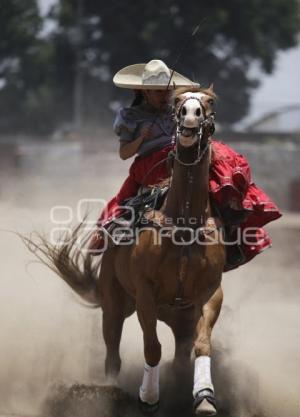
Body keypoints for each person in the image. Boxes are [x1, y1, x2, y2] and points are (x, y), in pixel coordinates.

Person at [89, 59, 281, 271]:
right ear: (144, 92)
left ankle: (231, 223)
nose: (163, 96)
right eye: (157, 92)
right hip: (150, 167)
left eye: (166, 91)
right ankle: (116, 239)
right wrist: (141, 139)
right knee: (123, 205)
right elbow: (124, 154)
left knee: (223, 164)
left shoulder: (177, 109)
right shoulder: (130, 117)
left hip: (180, 156)